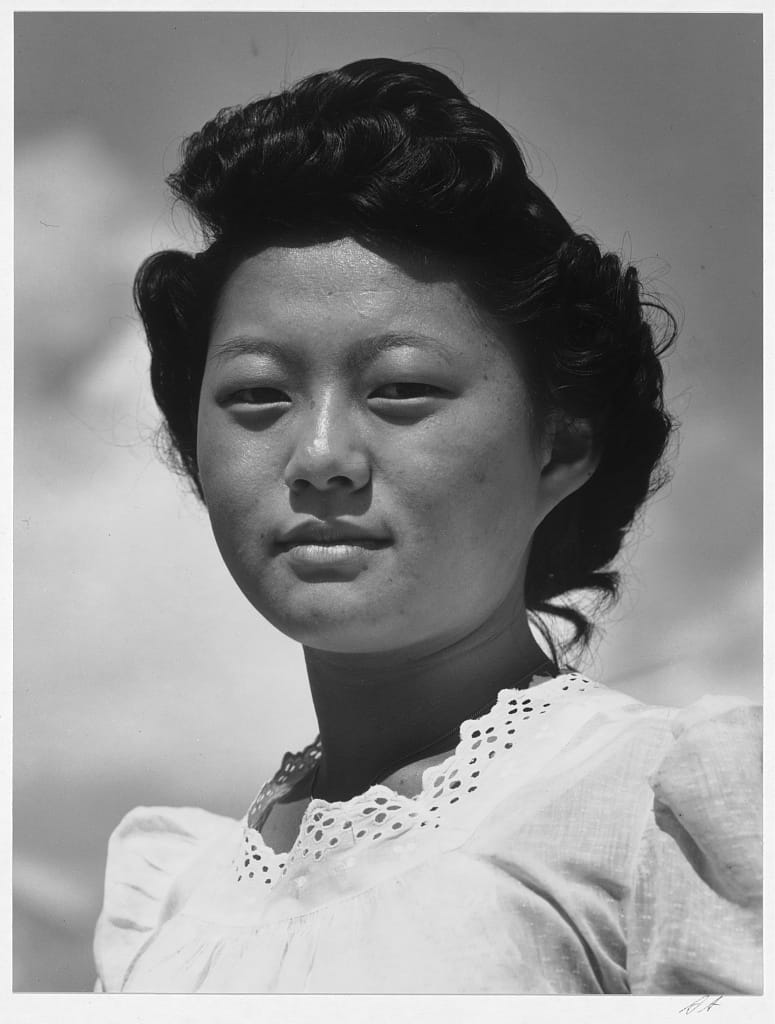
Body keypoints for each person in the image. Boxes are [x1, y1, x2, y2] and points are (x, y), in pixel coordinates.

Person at [93, 58, 762, 994]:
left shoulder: (661, 811)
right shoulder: (170, 897)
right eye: (256, 395)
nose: (319, 455)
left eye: (401, 388)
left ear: (561, 445)